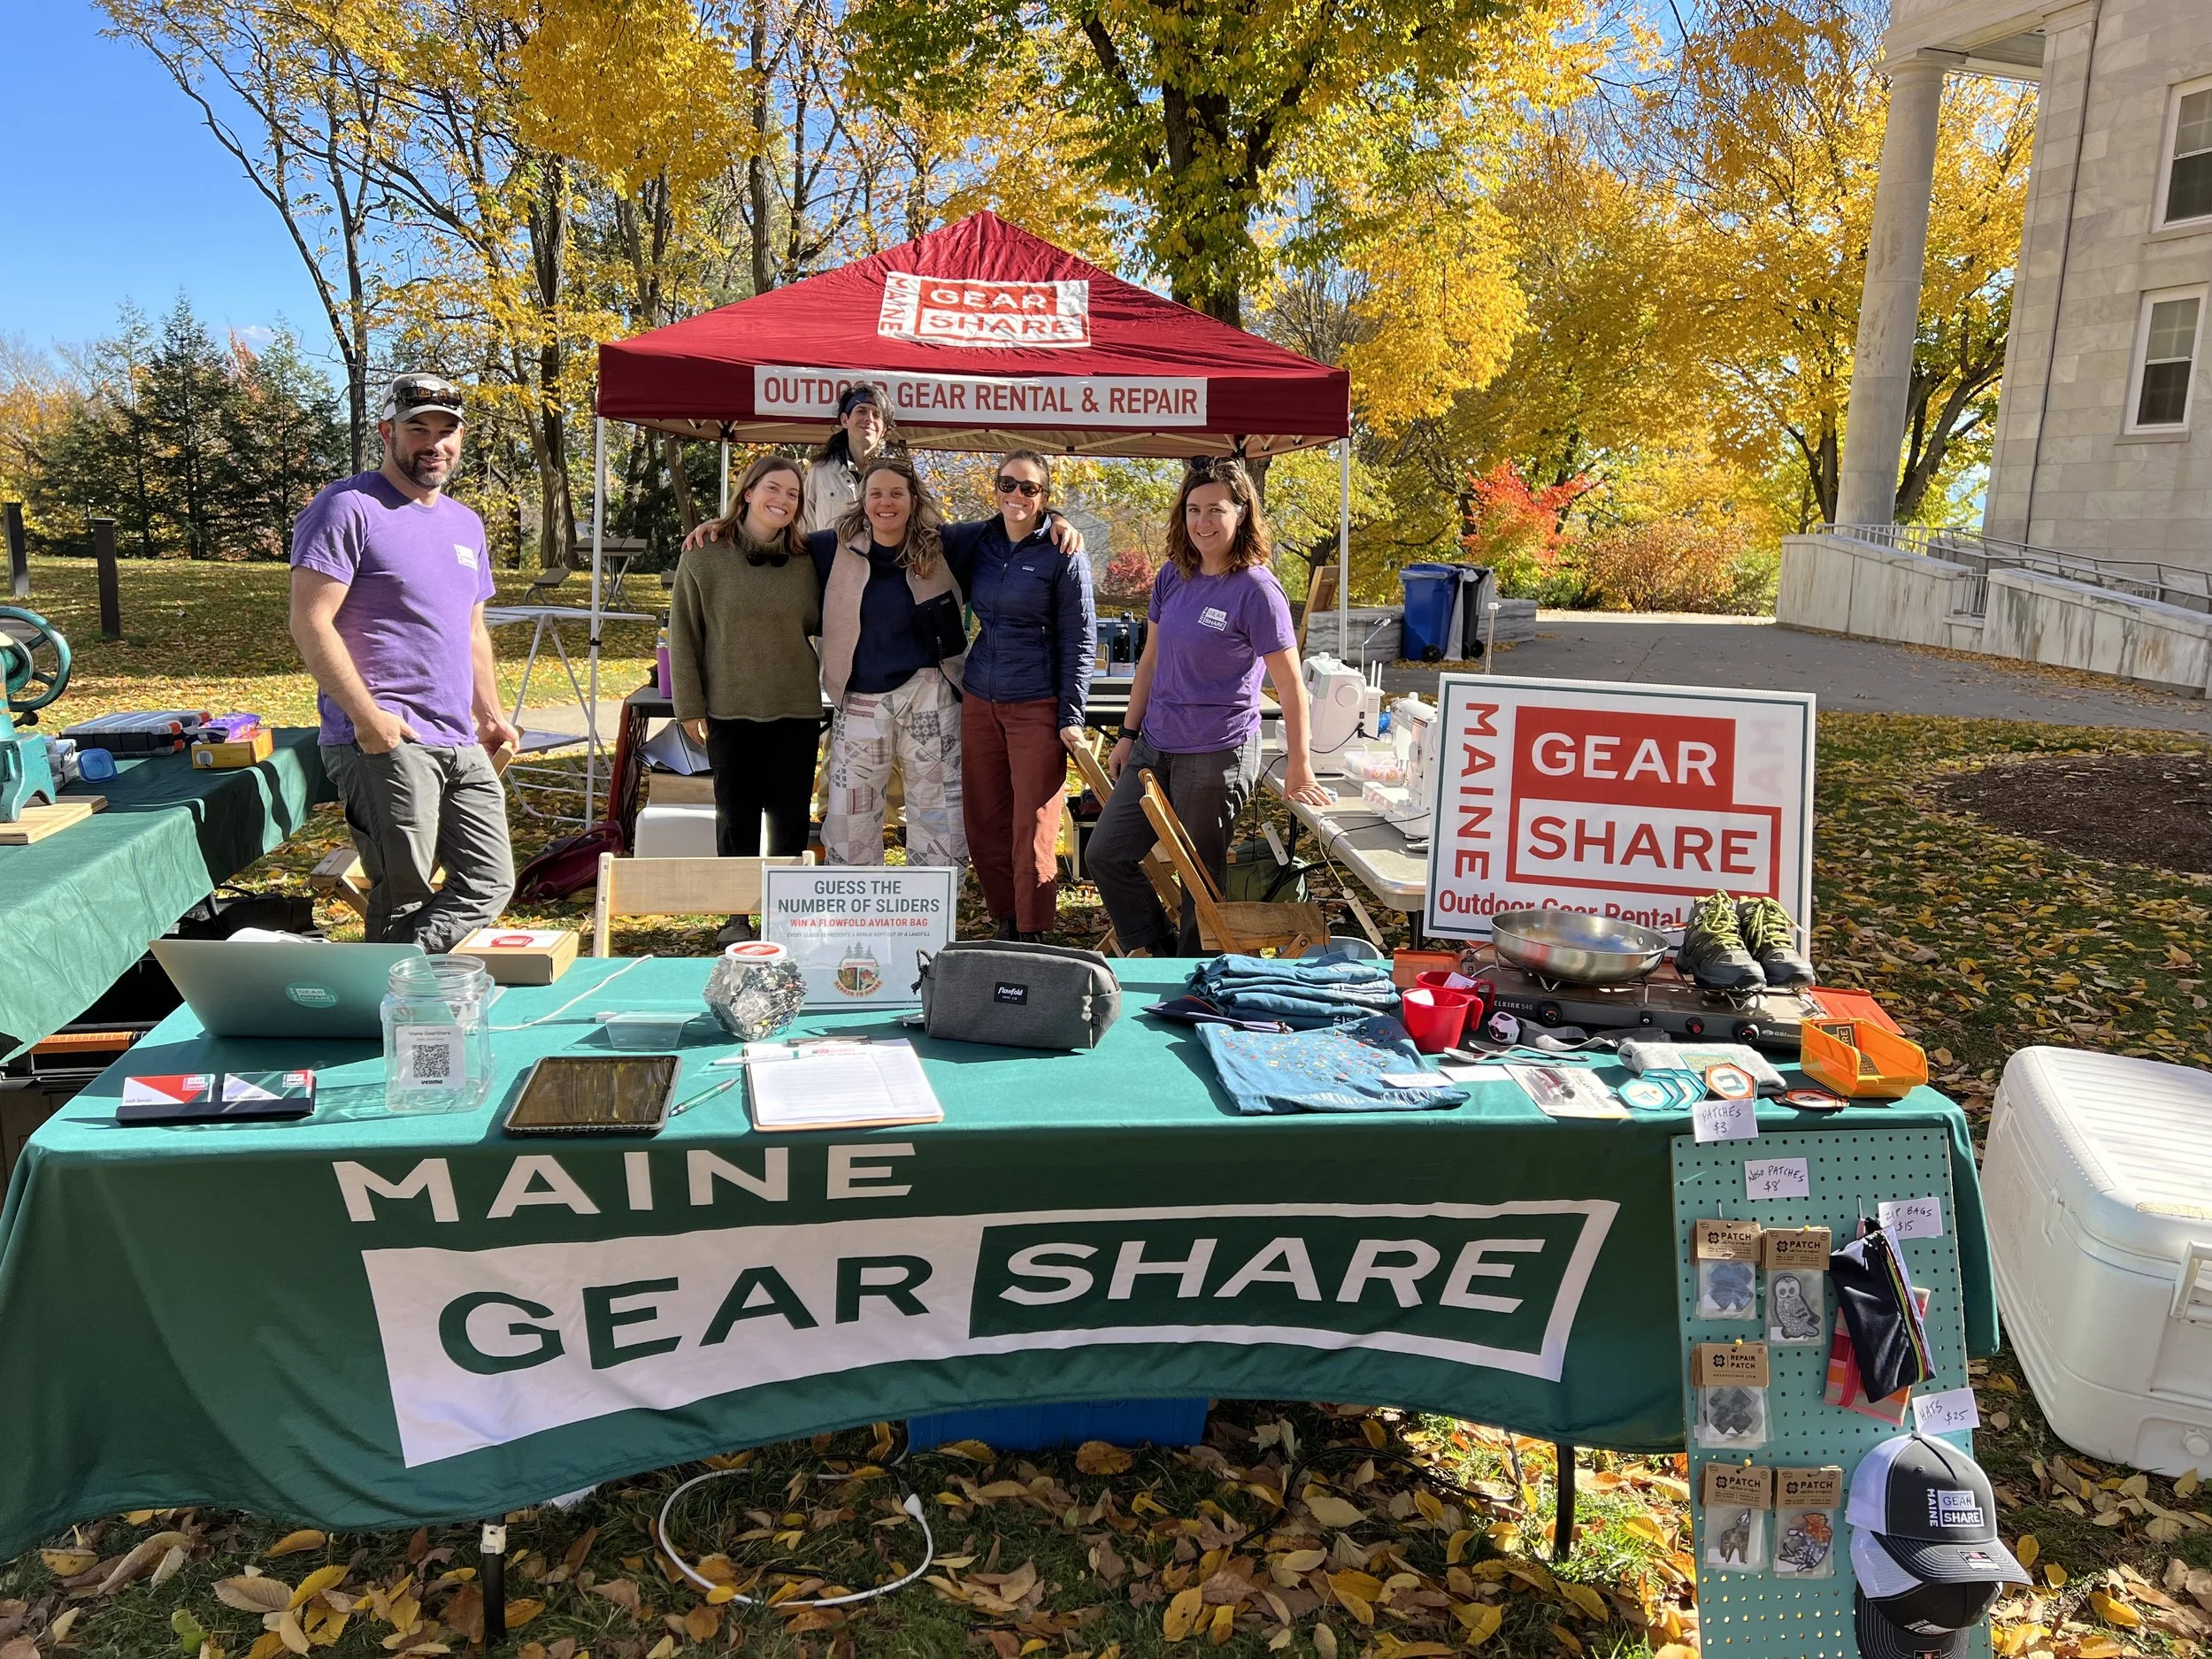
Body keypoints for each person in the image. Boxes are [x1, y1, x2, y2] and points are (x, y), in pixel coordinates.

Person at [288, 373, 519, 951]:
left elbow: (470, 629)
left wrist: (490, 714)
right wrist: (369, 720)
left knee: (490, 882)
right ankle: (395, 1018)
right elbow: (310, 620)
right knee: (403, 896)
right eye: (419, 428)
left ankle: (393, 981)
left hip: (460, 738)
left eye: (447, 431)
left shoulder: (466, 524)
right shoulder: (346, 507)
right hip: (384, 738)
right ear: (387, 431)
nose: (434, 443)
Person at [1087, 457, 1331, 956]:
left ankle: (1192, 981)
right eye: (1193, 509)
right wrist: (1129, 735)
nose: (1202, 522)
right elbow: (1149, 664)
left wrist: (1301, 766)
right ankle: (1155, 955)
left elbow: (1290, 686)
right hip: (1155, 744)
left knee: (1200, 879)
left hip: (1217, 752)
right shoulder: (1174, 576)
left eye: (1215, 510)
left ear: (1242, 513)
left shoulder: (1257, 590)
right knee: (1106, 854)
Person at [669, 454, 825, 938]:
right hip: (730, 709)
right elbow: (683, 635)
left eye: (793, 494)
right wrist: (689, 707)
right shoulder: (703, 555)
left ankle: (785, 914)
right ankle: (736, 914)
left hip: (796, 709)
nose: (782, 500)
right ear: (749, 492)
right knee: (736, 816)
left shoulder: (810, 560)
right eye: (773, 489)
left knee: (790, 819)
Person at [951, 450, 1096, 941]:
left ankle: (1033, 929)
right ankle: (1003, 920)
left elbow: (1080, 637)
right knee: (984, 816)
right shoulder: (978, 541)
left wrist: (1071, 714)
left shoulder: (1064, 552)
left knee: (1033, 822)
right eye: (1006, 484)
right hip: (979, 697)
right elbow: (908, 527)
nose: (1015, 495)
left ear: (1045, 496)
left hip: (1036, 701)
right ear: (995, 488)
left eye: (1029, 488)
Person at [809, 454, 971, 868]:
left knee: (939, 811)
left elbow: (1007, 529)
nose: (886, 502)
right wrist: (720, 526)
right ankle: (852, 918)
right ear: (863, 500)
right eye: (876, 493)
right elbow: (769, 536)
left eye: (897, 493)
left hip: (929, 692)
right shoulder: (831, 547)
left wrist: (1055, 518)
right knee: (850, 817)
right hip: (861, 695)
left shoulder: (943, 544)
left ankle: (933, 917)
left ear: (912, 500)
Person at [803, 383, 899, 533]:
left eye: (876, 414)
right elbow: (804, 529)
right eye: (861, 411)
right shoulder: (821, 472)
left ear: (885, 429)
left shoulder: (899, 475)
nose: (869, 419)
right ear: (844, 420)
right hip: (830, 556)